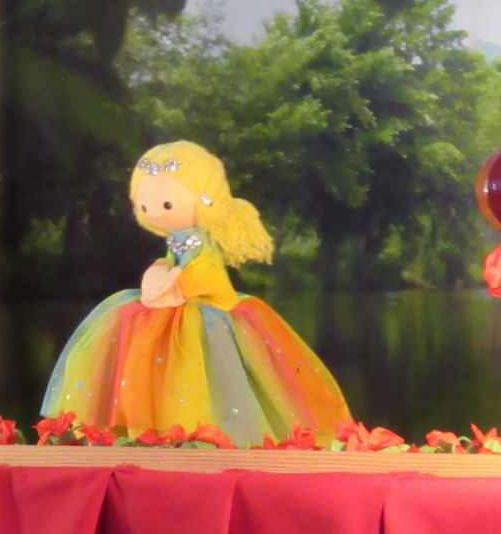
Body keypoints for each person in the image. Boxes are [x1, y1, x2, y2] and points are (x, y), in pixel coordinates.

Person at [41, 140, 350, 444]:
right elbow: (172, 258)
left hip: (205, 307)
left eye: (165, 205)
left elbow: (207, 271)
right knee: (138, 341)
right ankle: (151, 434)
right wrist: (162, 269)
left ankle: (206, 437)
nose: (156, 214)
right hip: (172, 298)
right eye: (146, 207)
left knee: (211, 373)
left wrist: (178, 283)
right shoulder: (177, 239)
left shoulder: (202, 242)